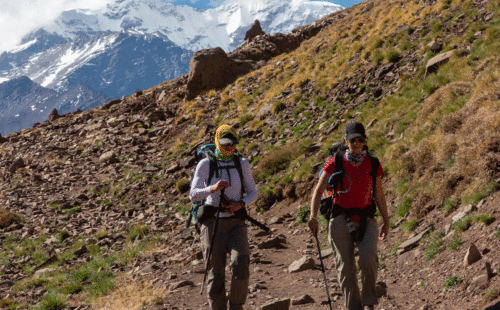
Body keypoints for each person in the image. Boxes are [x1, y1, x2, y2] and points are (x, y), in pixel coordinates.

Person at [308, 122, 390, 310]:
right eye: (353, 139)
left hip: (366, 218)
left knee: (368, 259)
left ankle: (369, 301)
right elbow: (319, 189)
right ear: (346, 141)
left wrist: (386, 220)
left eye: (360, 139)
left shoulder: (373, 162)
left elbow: (379, 193)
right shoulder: (335, 162)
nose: (357, 143)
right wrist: (313, 216)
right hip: (339, 219)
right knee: (346, 269)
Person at [189, 124, 258, 310]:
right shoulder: (205, 164)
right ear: (217, 142)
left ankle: (236, 306)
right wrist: (212, 188)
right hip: (212, 225)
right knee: (215, 273)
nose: (229, 147)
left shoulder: (242, 163)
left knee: (241, 265)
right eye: (225, 143)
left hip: (236, 222)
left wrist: (241, 203)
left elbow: (253, 193)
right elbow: (193, 194)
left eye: (233, 143)